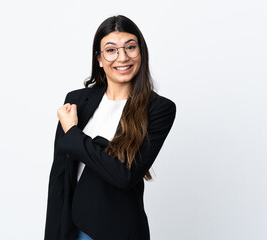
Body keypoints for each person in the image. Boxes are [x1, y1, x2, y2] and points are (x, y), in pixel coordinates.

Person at [44, 15, 176, 240]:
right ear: (99, 58)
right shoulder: (77, 101)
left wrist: (75, 136)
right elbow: (60, 179)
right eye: (111, 50)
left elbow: (124, 174)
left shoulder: (158, 109)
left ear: (141, 52)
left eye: (131, 47)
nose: (122, 57)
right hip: (70, 230)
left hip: (117, 231)